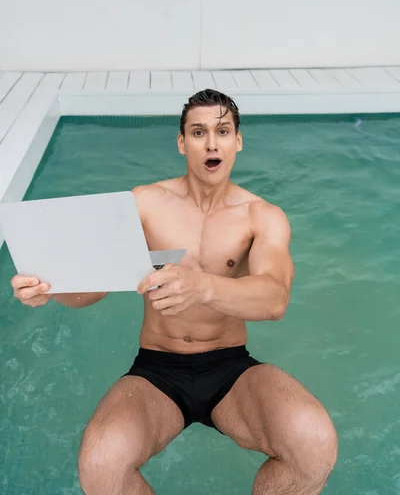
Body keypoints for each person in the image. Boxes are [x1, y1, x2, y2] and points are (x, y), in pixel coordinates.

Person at [11, 89, 338, 494]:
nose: (212, 143)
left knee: (314, 445)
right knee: (100, 465)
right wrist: (52, 288)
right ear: (182, 142)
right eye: (198, 132)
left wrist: (203, 287)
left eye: (223, 131)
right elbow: (92, 287)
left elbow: (275, 299)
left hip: (231, 370)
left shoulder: (261, 217)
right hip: (157, 370)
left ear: (238, 140)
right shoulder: (144, 204)